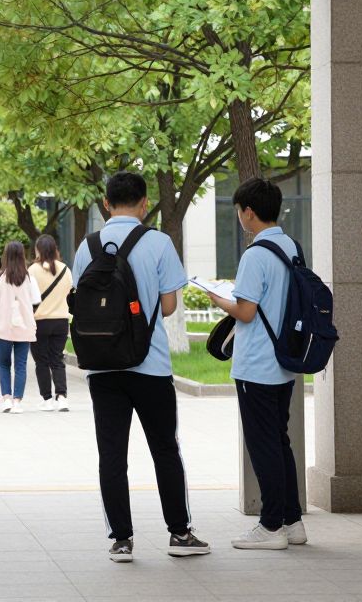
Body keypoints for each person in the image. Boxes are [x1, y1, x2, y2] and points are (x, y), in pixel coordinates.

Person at [72, 171, 209, 562]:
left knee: (112, 454)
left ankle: (121, 540)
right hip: (150, 366)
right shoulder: (159, 243)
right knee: (165, 448)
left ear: (105, 203)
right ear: (145, 203)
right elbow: (168, 307)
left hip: (102, 367)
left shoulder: (88, 247)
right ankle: (180, 534)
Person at [206, 177, 307, 551]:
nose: (239, 218)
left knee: (263, 445)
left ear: (249, 212)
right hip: (284, 362)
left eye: (239, 212)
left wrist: (219, 300)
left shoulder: (255, 254)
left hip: (256, 364)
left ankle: (270, 527)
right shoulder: (291, 247)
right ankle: (293, 521)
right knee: (280, 441)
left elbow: (245, 311)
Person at [0, 241, 40, 414]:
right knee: (21, 365)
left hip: (4, 328)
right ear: (22, 255)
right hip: (24, 328)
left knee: (4, 364)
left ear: (5, 255)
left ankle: (6, 398)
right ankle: (17, 402)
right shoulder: (30, 278)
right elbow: (35, 301)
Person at [28, 234, 73, 412]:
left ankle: (47, 399)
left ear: (38, 249)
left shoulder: (33, 270)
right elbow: (70, 294)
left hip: (39, 321)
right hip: (61, 320)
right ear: (55, 249)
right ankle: (62, 397)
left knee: (41, 361)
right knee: (57, 359)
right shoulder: (65, 269)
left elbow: (28, 296)